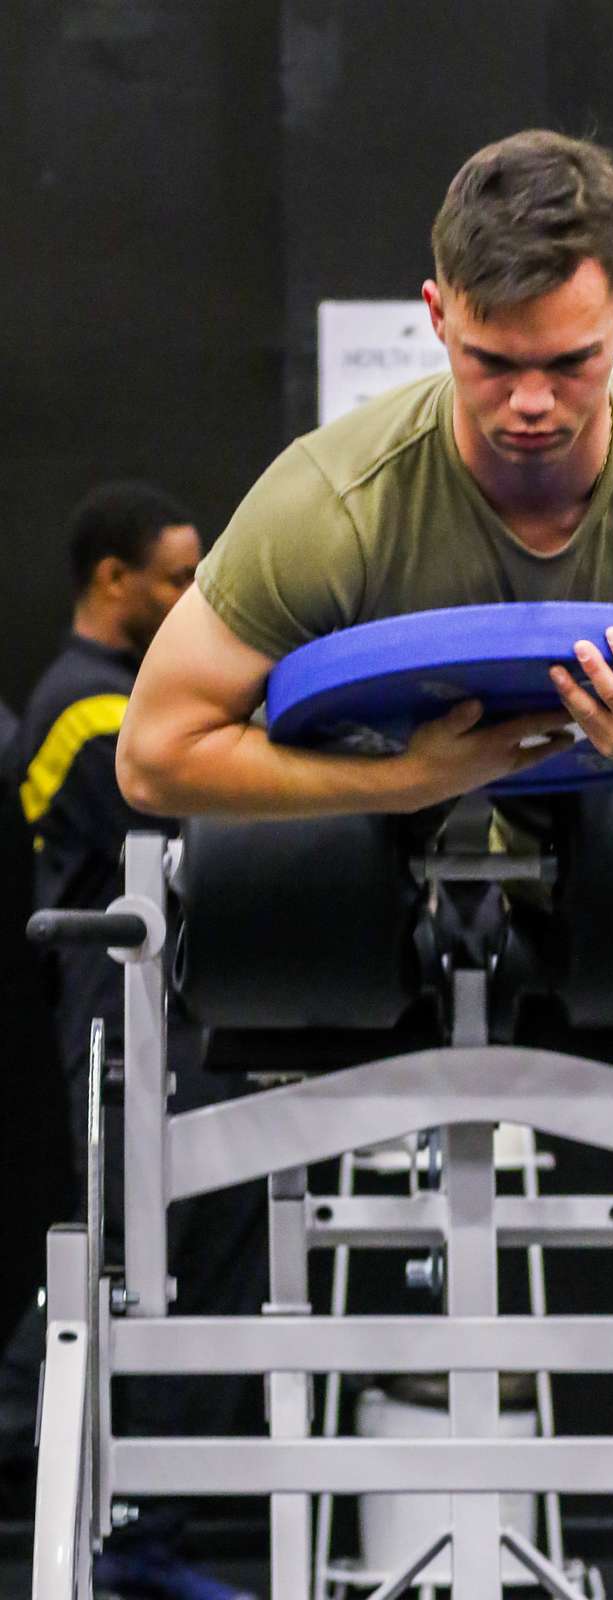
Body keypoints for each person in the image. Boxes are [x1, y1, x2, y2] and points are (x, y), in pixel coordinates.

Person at [117, 130, 613, 823]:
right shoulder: (331, 505)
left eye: (572, 361)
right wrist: (403, 783)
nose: (531, 403)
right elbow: (153, 759)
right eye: (492, 362)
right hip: (378, 825)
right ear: (437, 317)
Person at [5, 483, 262, 1600]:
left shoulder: (137, 701)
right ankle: (130, 1548)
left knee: (179, 1283)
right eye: (174, 576)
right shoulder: (89, 712)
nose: (194, 593)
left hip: (177, 1029)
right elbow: (200, 811)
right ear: (112, 582)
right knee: (118, 1287)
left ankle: (145, 1547)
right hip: (112, 1034)